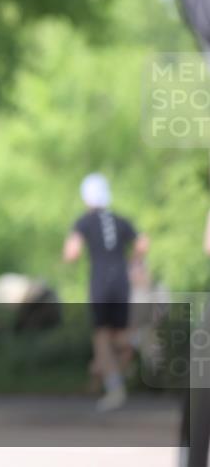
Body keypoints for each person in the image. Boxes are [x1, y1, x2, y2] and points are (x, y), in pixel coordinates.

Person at [63, 172, 149, 412]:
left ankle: (114, 389)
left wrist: (68, 254)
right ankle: (137, 340)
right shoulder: (121, 220)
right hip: (122, 280)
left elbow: (71, 253)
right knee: (117, 336)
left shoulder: (85, 221)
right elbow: (142, 242)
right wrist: (134, 262)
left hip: (100, 280)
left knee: (101, 337)